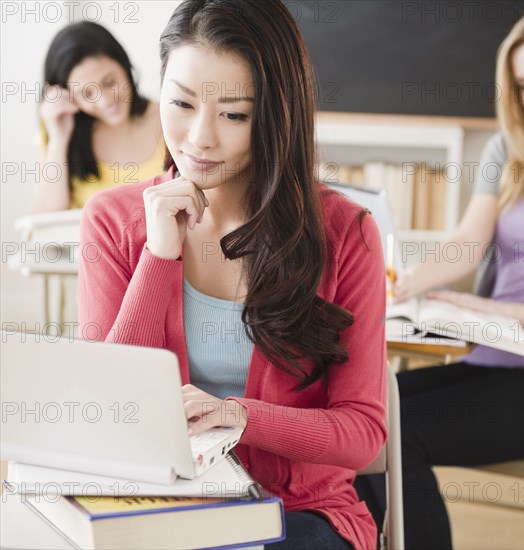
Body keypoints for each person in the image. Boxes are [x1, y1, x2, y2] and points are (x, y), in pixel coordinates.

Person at [78, 1, 387, 548]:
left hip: (296, 512)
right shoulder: (111, 221)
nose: (199, 138)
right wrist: (158, 255)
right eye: (181, 103)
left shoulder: (345, 233)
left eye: (234, 114)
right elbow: (106, 409)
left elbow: (363, 434)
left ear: (275, 114)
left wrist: (236, 416)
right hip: (159, 502)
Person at [356, 6, 524, 549]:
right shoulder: (510, 150)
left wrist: (495, 311)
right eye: (521, 84)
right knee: (363, 416)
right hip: (496, 357)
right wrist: (404, 281)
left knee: (394, 436)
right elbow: (466, 243)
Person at [32, 21, 165, 213]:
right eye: (86, 94)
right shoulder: (57, 136)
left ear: (124, 66)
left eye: (110, 82)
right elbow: (45, 221)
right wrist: (58, 140)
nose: (105, 101)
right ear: (66, 94)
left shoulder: (168, 115)